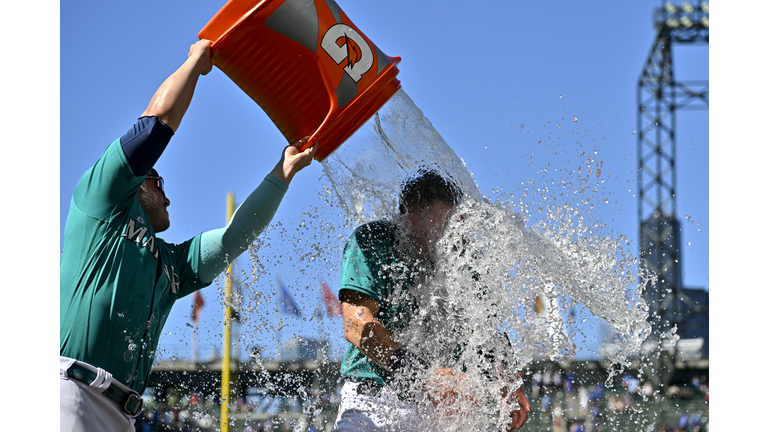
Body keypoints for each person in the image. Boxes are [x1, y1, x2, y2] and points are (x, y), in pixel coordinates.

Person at [60, 39, 317, 431]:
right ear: (138, 183)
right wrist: (196, 63)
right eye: (158, 182)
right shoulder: (101, 201)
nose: (167, 195)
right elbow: (154, 125)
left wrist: (283, 173)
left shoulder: (170, 263)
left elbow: (234, 238)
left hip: (122, 413)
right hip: (69, 392)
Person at [331, 169, 530, 432]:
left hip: (436, 410)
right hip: (374, 400)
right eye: (444, 224)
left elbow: (485, 330)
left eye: (457, 224)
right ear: (409, 217)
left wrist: (509, 380)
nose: (452, 236)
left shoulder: (460, 258)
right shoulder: (374, 240)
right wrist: (424, 375)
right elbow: (356, 325)